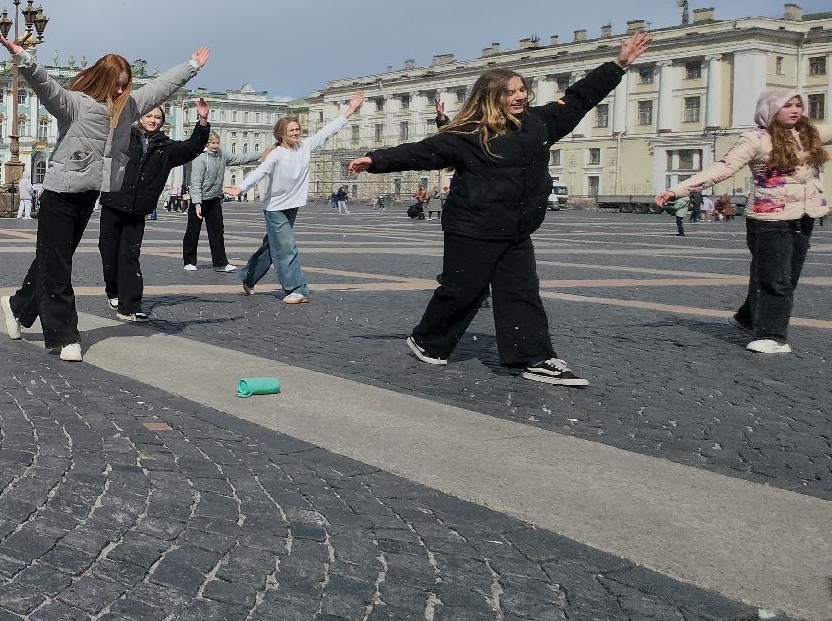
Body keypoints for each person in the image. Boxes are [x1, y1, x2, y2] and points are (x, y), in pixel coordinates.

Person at [348, 30, 651, 385]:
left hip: (516, 228)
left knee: (522, 292)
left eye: (522, 89)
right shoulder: (466, 135)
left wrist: (618, 65)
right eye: (511, 92)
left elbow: (581, 97)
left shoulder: (541, 123)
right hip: (472, 228)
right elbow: (421, 152)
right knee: (462, 291)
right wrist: (375, 159)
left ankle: (534, 357)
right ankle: (428, 340)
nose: (520, 96)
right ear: (491, 97)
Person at [0, 30, 209, 362]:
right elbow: (46, 86)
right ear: (104, 78)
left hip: (89, 193)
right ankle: (64, 336)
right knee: (59, 264)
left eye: (126, 84)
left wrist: (191, 66)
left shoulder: (128, 108)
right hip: (60, 192)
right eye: (117, 83)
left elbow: (160, 87)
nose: (122, 89)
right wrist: (23, 58)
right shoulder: (76, 104)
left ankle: (18, 306)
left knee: (52, 259)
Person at [656, 88, 826, 354]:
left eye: (798, 105)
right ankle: (769, 335)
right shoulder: (755, 138)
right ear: (770, 109)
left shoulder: (809, 134)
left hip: (804, 216)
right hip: (769, 218)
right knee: (775, 278)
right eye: (787, 106)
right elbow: (723, 167)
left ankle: (746, 319)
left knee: (786, 277)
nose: (795, 110)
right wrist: (677, 190)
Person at [227, 94, 364, 305]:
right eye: (291, 130)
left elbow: (328, 131)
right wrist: (241, 187)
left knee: (272, 246)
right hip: (275, 208)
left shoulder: (305, 147)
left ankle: (248, 277)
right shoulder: (276, 154)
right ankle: (296, 289)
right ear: (281, 134)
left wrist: (350, 110)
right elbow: (260, 172)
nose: (296, 133)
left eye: (297, 129)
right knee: (286, 247)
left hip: (292, 206)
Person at [100, 100, 210, 320]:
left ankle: (130, 305)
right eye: (149, 116)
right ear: (141, 118)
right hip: (113, 201)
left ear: (162, 123)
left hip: (137, 209)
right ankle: (113, 291)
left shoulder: (166, 148)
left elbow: (193, 148)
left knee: (130, 255)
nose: (152, 120)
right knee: (108, 252)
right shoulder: (124, 136)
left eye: (157, 118)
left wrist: (203, 121)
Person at [182, 131, 255, 272]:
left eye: (217, 143)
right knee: (193, 231)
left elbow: (239, 158)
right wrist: (197, 203)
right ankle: (189, 262)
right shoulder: (200, 158)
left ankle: (220, 263)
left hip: (214, 198)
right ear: (206, 144)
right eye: (212, 143)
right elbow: (196, 182)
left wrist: (262, 155)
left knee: (217, 230)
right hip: (200, 199)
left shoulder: (222, 155)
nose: (215, 146)